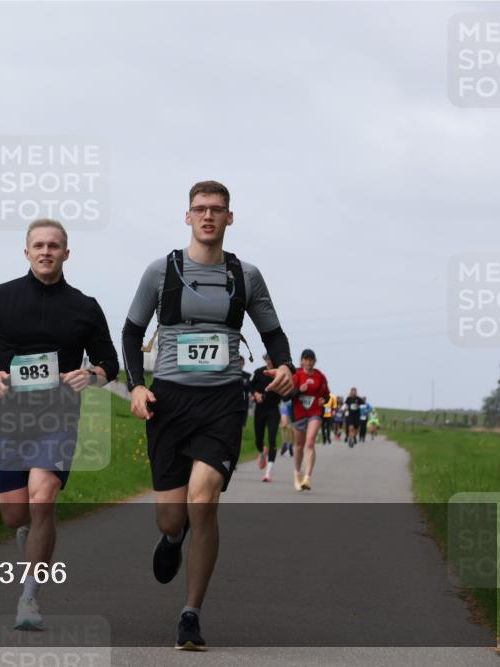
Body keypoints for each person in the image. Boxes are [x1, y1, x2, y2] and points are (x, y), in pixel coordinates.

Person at [121, 180, 294, 651]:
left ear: (230, 218)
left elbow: (274, 334)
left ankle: (190, 615)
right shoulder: (162, 271)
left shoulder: (246, 276)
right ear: (187, 216)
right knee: (171, 519)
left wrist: (285, 369)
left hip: (223, 401)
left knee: (204, 500)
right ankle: (172, 540)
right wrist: (136, 385)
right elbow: (132, 330)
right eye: (200, 209)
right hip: (170, 402)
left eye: (217, 210)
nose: (208, 217)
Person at [0, 218, 119, 631]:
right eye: (39, 245)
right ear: (26, 252)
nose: (46, 252)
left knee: (43, 497)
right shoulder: (0, 298)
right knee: (16, 515)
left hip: (58, 416)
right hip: (10, 418)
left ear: (67, 253)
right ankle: (27, 531)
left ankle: (29, 598)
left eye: (54, 246)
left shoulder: (85, 306)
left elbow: (110, 363)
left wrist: (92, 376)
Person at [290, 349, 330, 491]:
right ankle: (297, 474)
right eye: (305, 359)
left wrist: (323, 400)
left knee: (310, 442)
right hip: (299, 413)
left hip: (315, 412)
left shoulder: (320, 376)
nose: (308, 362)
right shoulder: (296, 375)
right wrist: (299, 390)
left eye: (311, 359)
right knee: (299, 446)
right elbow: (288, 394)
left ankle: (307, 477)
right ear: (301, 361)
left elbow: (327, 395)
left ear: (314, 361)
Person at [251, 354, 283, 482]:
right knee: (258, 439)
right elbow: (250, 386)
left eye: (272, 359)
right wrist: (255, 394)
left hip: (273, 410)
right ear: (265, 359)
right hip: (260, 410)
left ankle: (268, 473)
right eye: (267, 359)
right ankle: (261, 452)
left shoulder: (279, 374)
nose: (269, 361)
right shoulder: (259, 372)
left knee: (272, 439)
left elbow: (282, 391)